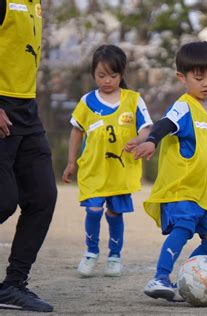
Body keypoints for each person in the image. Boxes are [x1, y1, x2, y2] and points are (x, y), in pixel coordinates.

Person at [133, 41, 207, 302]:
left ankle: (187, 274)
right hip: (183, 188)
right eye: (199, 77)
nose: (206, 82)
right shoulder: (183, 106)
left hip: (205, 192)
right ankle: (160, 277)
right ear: (182, 77)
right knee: (182, 228)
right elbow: (165, 124)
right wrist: (151, 140)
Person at [62, 44, 152, 278]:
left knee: (114, 214)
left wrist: (138, 139)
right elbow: (76, 131)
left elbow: (147, 128)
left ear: (122, 75)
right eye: (101, 75)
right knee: (93, 210)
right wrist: (71, 162)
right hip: (93, 169)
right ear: (93, 74)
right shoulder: (87, 101)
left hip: (120, 172)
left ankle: (115, 256)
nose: (107, 80)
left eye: (113, 75)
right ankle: (91, 253)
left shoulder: (133, 100)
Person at [0, 0, 57, 312]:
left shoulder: (35, 4)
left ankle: (12, 285)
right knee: (4, 200)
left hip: (27, 111)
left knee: (42, 197)